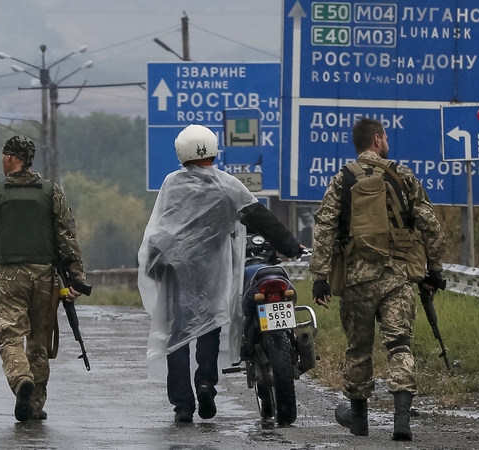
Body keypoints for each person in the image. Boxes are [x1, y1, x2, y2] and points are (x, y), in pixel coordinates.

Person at [137, 124, 303, 423]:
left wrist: (152, 263)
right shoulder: (228, 185)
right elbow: (260, 217)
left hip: (176, 271)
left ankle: (183, 406)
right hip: (211, 272)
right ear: (214, 150)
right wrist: (290, 245)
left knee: (178, 336)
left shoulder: (172, 184)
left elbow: (160, 227)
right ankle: (205, 383)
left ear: (181, 152)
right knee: (209, 327)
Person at [310, 118, 445, 441]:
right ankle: (401, 419)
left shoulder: (341, 180)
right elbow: (429, 224)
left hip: (357, 281)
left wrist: (320, 277)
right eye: (384, 137)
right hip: (396, 277)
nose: (387, 141)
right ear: (376, 139)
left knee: (358, 349)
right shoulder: (402, 175)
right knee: (399, 344)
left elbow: (325, 229)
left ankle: (358, 419)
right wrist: (435, 270)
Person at [0, 135, 86, 422]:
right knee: (39, 342)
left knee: (10, 335)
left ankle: (21, 381)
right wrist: (76, 277)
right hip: (45, 277)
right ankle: (35, 405)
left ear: (8, 158)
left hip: (10, 276)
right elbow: (67, 236)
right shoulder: (51, 191)